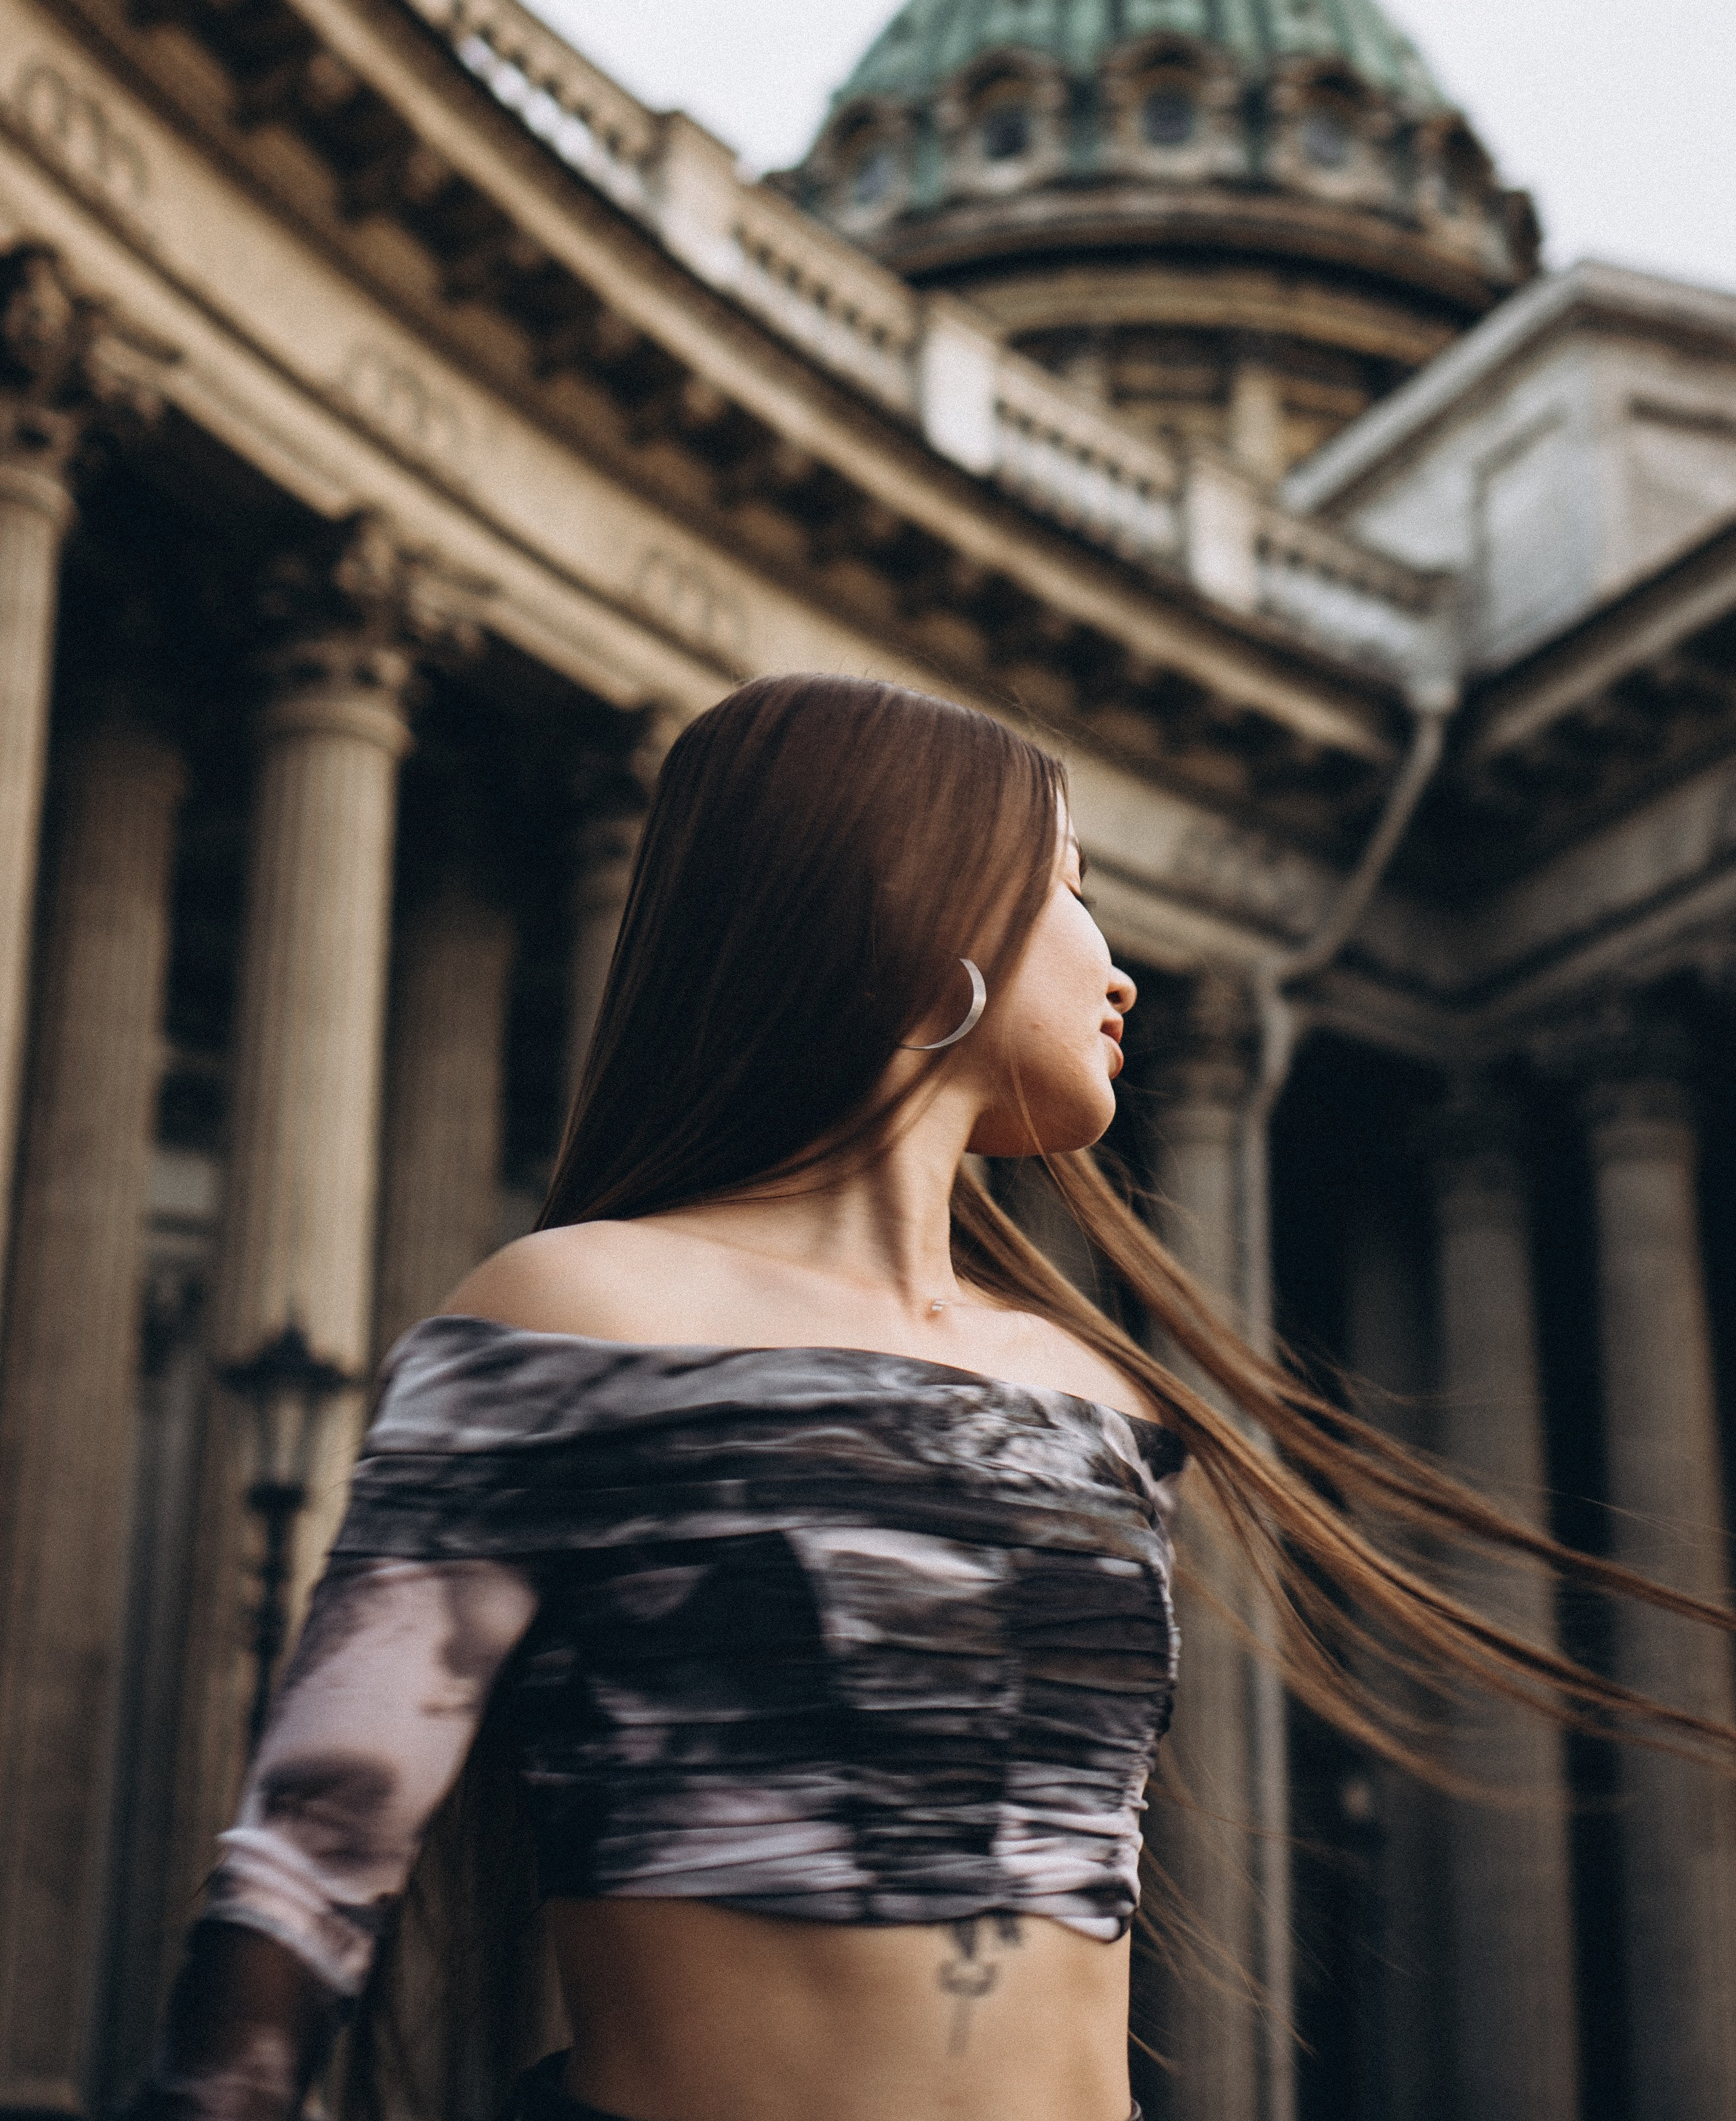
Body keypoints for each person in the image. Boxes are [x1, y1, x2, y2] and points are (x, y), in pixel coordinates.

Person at [136, 675, 1736, 2121]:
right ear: (926, 915)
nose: (1118, 967)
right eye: (1069, 894)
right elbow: (311, 1855)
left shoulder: (1089, 1385)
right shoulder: (579, 1307)